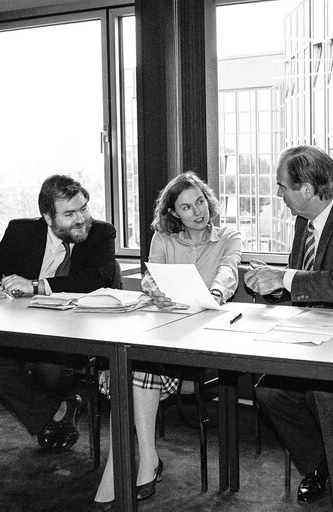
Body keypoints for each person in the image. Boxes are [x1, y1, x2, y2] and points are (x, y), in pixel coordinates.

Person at [244, 145, 333, 512]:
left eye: (282, 187)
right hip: (316, 334)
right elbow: (305, 284)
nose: (279, 195)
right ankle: (320, 465)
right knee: (269, 392)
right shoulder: (304, 223)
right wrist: (277, 285)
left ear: (306, 190)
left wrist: (286, 277)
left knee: (326, 390)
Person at [91, 171, 242, 511]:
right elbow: (152, 273)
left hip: (202, 340)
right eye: (187, 207)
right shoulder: (163, 236)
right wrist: (153, 289)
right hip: (164, 327)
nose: (197, 212)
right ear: (175, 213)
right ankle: (147, 459)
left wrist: (216, 292)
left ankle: (142, 464)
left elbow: (229, 271)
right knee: (136, 363)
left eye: (200, 202)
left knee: (132, 368)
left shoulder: (228, 236)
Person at [0, 174, 116, 453]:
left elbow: (99, 278)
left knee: (49, 371)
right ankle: (62, 409)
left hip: (71, 334)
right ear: (48, 217)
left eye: (84, 208)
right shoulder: (21, 232)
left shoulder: (101, 233)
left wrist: (37, 286)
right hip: (22, 331)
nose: (81, 219)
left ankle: (55, 412)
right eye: (70, 213)